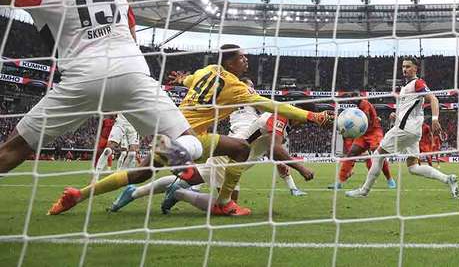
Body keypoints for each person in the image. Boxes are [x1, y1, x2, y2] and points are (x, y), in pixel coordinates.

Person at [0, 0, 209, 213]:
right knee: (191, 142)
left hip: (83, 76)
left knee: (16, 147)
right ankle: (171, 151)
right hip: (131, 72)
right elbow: (132, 36)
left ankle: (165, 149)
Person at [50, 43, 332, 216]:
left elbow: (189, 82)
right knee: (241, 148)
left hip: (168, 129)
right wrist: (313, 116)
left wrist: (183, 78)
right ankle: (222, 202)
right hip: (189, 137)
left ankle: (80, 194)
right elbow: (273, 106)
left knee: (140, 172)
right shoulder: (234, 85)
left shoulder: (206, 71)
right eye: (243, 58)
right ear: (231, 62)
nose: (246, 61)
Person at [109, 104, 313, 214]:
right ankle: (179, 193)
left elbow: (268, 146)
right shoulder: (277, 117)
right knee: (225, 208)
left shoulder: (276, 123)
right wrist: (300, 168)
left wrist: (284, 167)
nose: (304, 123)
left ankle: (134, 192)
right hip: (228, 158)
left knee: (194, 177)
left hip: (232, 159)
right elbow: (274, 146)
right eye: (304, 118)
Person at [346, 57, 459, 198]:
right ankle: (448, 179)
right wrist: (396, 115)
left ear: (415, 69)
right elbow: (410, 109)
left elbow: (433, 99)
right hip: (413, 131)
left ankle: (364, 191)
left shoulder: (417, 83)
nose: (405, 69)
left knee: (377, 155)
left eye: (408, 66)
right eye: (403, 66)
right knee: (413, 167)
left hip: (405, 129)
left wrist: (435, 119)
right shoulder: (405, 88)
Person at [330, 94, 395, 189]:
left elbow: (366, 120)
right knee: (351, 154)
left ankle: (390, 179)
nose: (351, 100)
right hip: (363, 133)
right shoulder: (359, 106)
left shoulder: (364, 104)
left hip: (374, 132)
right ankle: (339, 182)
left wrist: (351, 125)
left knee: (378, 154)